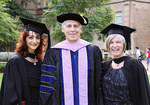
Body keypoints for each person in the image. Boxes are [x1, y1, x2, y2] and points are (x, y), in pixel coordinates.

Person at [39, 13, 103, 105]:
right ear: (63, 29)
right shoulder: (53, 53)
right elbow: (47, 85)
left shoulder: (93, 51)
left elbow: (98, 83)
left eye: (76, 26)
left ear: (81, 29)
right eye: (69, 26)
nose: (72, 29)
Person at [0, 17, 50, 105]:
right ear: (24, 39)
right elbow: (9, 95)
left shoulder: (40, 63)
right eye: (30, 37)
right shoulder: (15, 62)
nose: (34, 41)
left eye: (37, 37)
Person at [101, 23, 150, 105]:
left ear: (124, 44)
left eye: (118, 42)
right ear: (108, 45)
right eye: (111, 42)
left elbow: (143, 95)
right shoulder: (105, 66)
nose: (114, 45)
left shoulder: (135, 65)